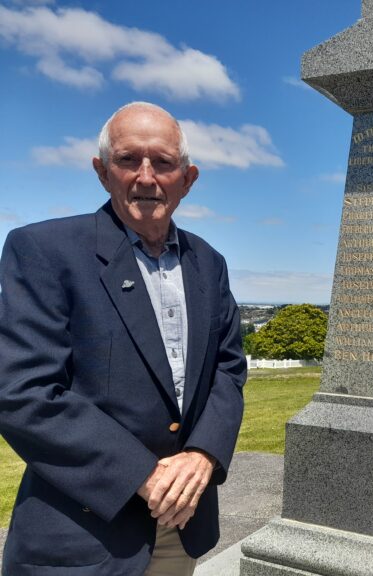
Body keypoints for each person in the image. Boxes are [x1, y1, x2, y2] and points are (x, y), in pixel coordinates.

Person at [0, 102, 246, 575]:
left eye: (164, 163)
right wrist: (144, 475)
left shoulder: (209, 262)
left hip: (182, 527)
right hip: (83, 535)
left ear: (189, 178)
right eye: (129, 159)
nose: (147, 177)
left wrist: (203, 453)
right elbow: (22, 392)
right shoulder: (44, 251)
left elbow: (228, 368)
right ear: (102, 171)